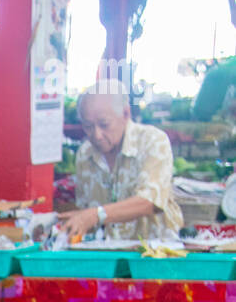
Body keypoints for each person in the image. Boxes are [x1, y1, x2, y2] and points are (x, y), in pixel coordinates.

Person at [61, 85, 183, 242]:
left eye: (104, 124)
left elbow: (150, 201)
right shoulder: (85, 153)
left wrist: (95, 215)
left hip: (155, 253)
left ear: (126, 114)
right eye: (88, 126)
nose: (97, 135)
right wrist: (76, 220)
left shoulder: (152, 141)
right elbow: (88, 212)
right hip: (107, 255)